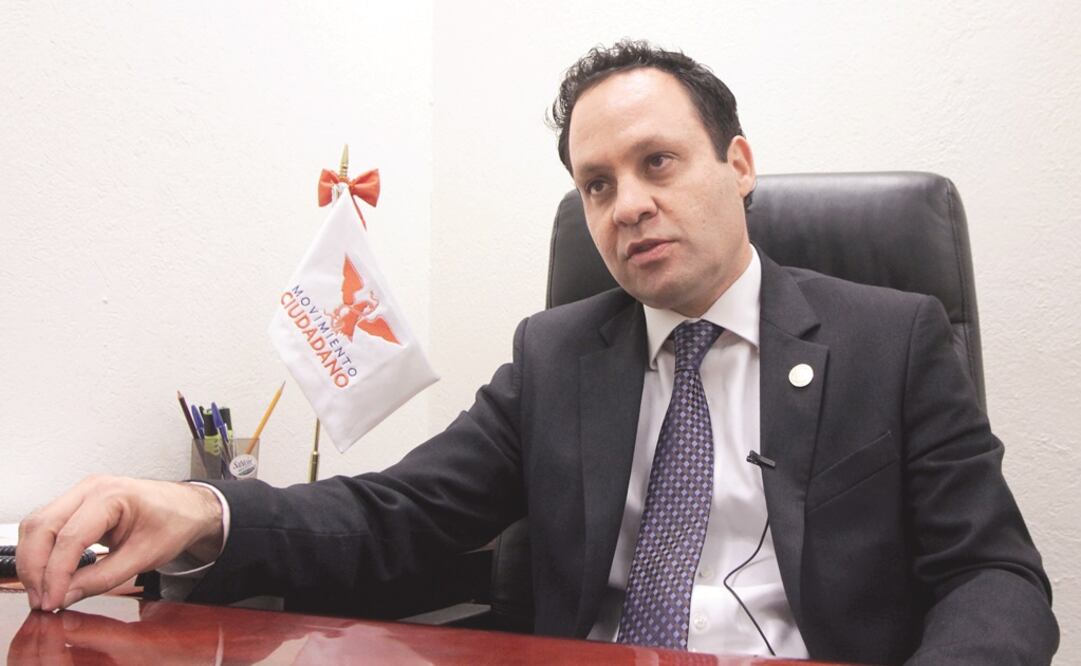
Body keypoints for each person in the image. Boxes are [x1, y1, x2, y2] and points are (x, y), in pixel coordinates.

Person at [17, 41, 1058, 664]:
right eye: (597, 185)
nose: (628, 206)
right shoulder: (560, 356)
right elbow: (400, 514)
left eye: (657, 163)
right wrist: (208, 509)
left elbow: (994, 578)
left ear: (737, 165)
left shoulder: (891, 337)